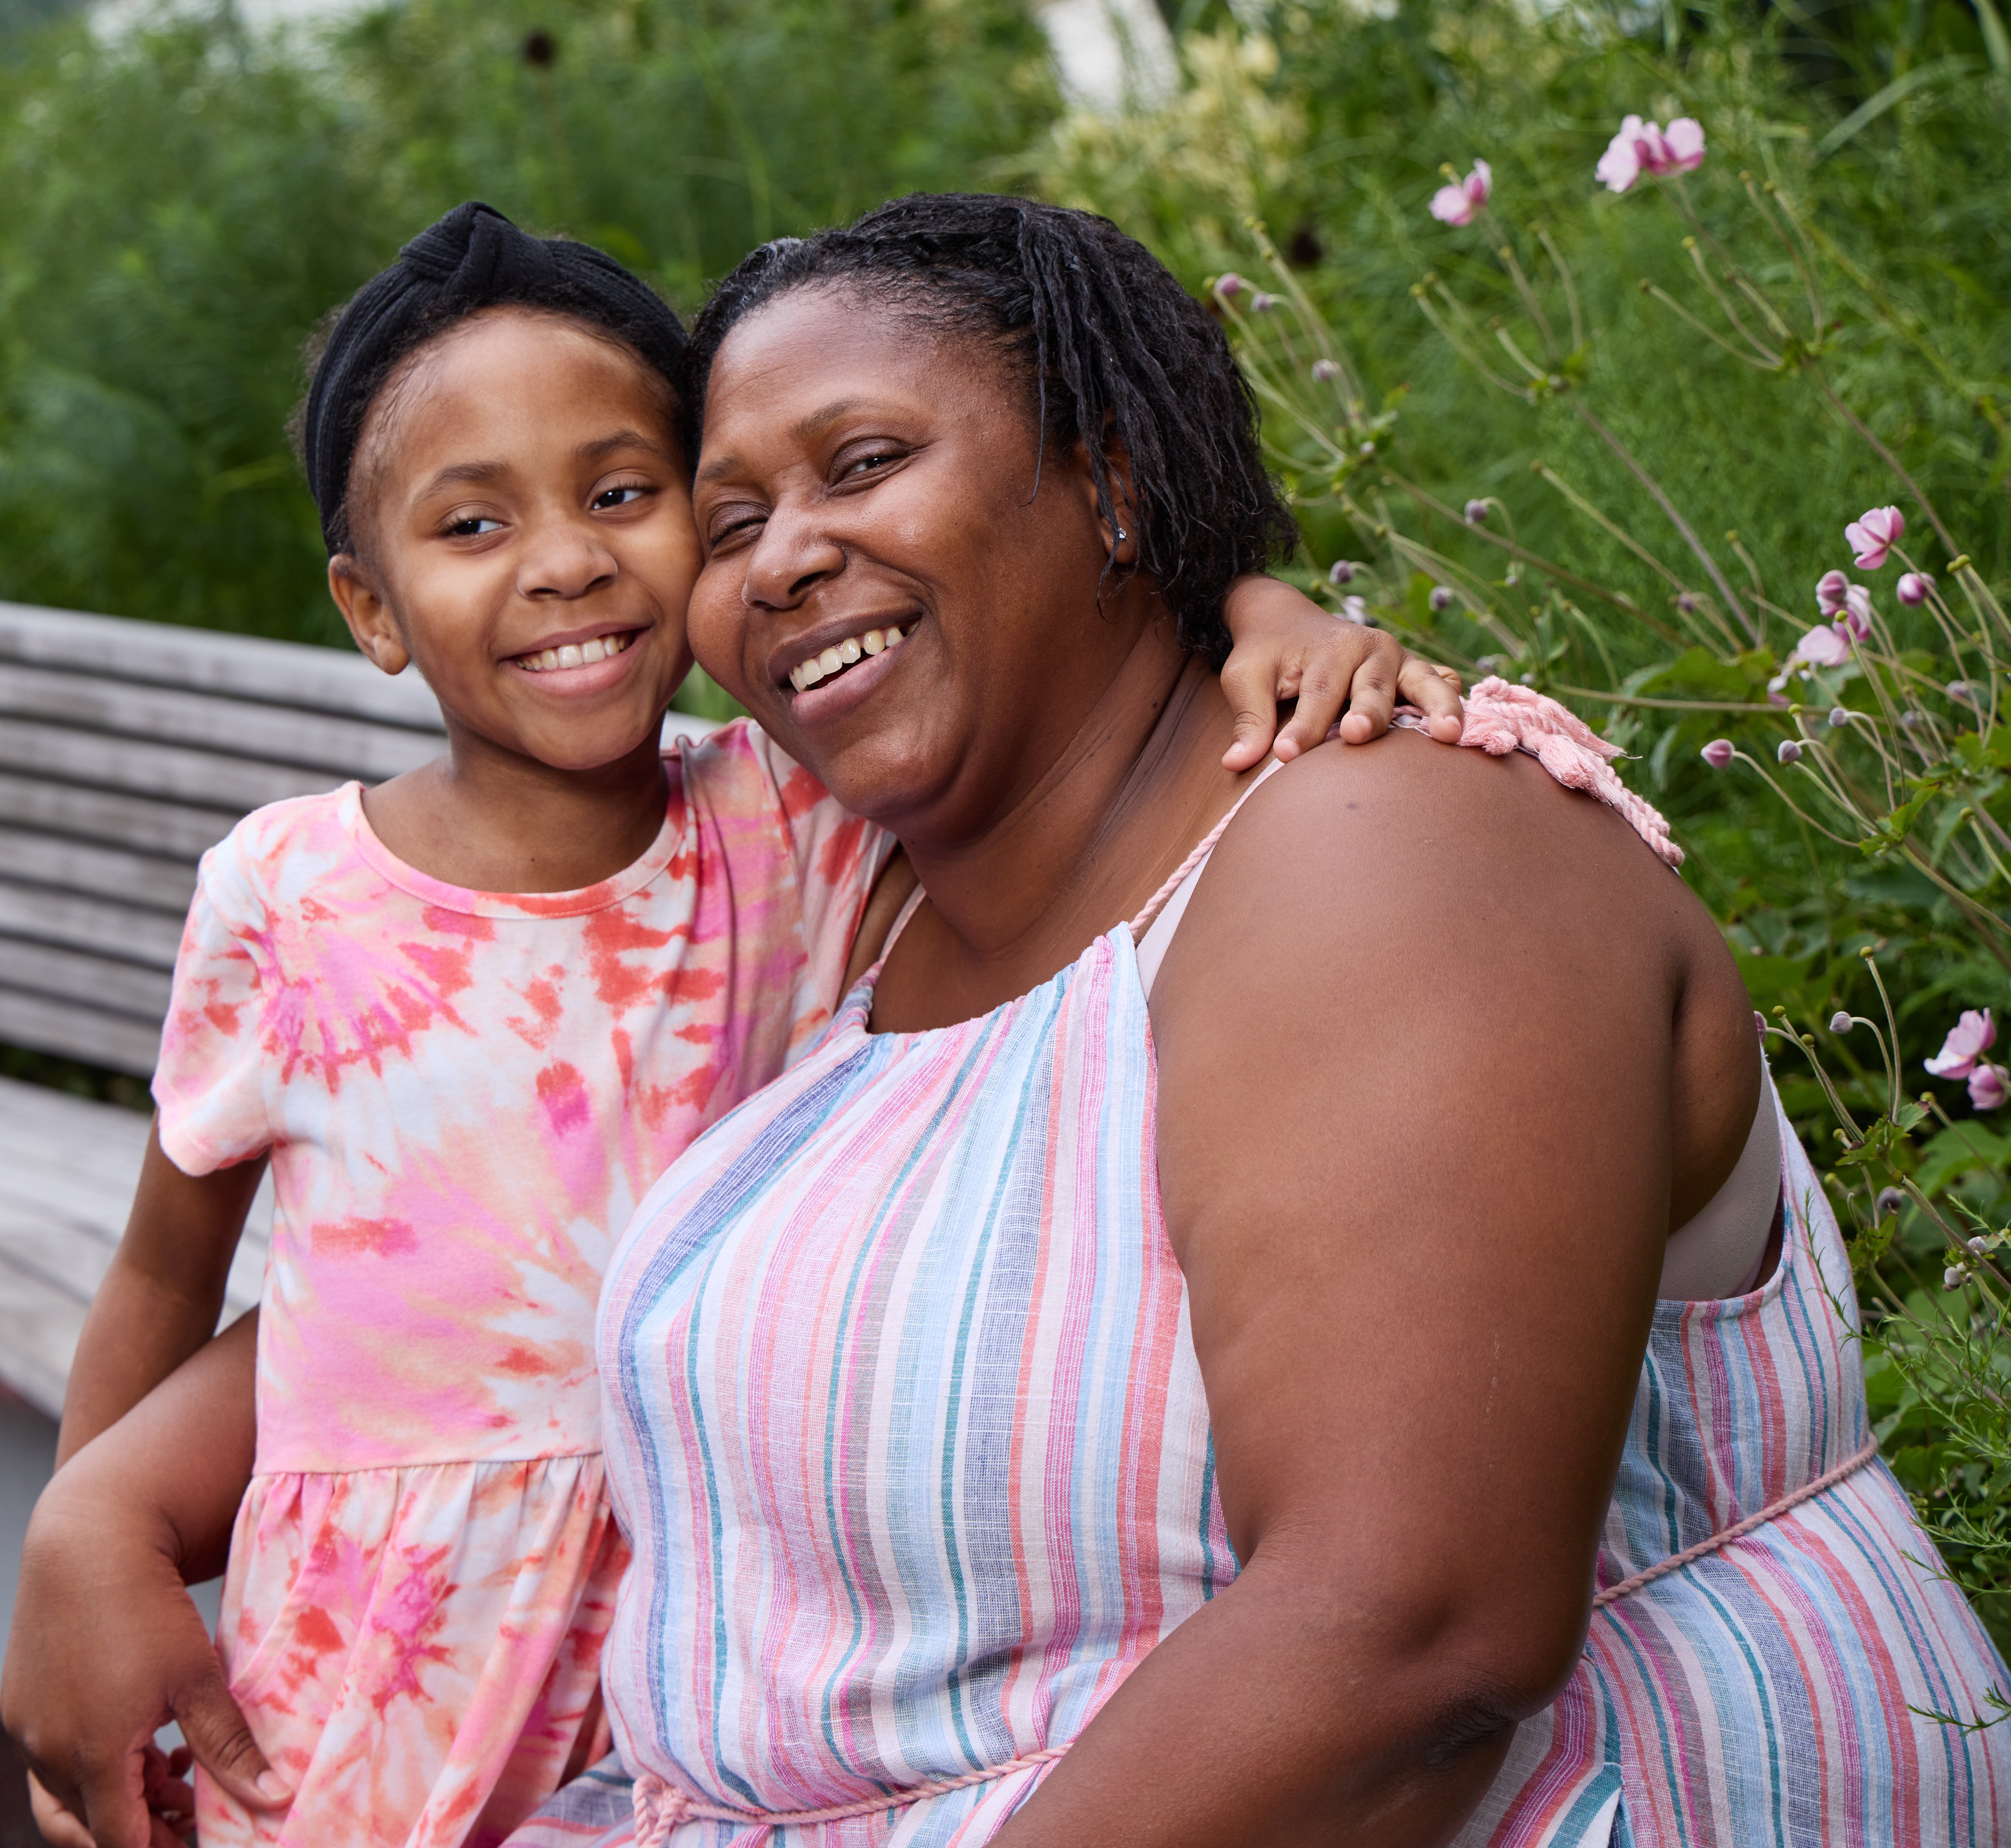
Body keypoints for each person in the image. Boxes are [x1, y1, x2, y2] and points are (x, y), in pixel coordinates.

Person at [510, 193, 2011, 1848]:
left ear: (1114, 479)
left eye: (862, 464)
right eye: (727, 523)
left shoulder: (1383, 849)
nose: (783, 554)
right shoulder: (855, 899)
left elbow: (1410, 1639)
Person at [0, 201, 1465, 1848]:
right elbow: (165, 1265)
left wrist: (1258, 613)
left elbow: (1060, 682)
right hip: (358, 1681)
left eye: (623, 496)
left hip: (696, 1650)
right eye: (471, 526)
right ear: (371, 608)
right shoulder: (291, 895)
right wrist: (83, 1541)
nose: (563, 559)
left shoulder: (788, 814)